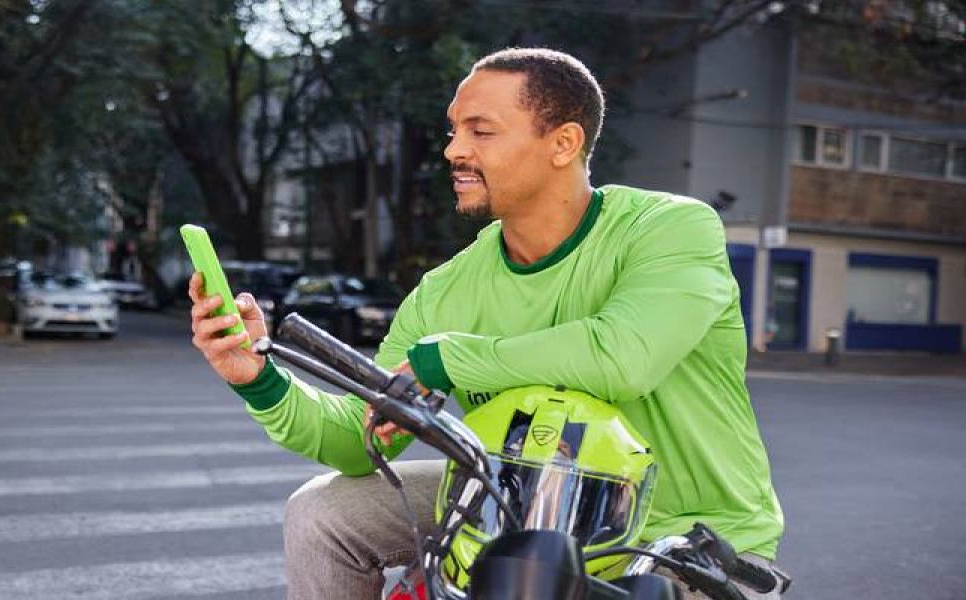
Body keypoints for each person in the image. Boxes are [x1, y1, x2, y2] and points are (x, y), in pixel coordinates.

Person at [189, 47, 784, 600]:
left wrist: (448, 358)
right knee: (323, 513)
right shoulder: (448, 287)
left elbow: (624, 356)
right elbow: (360, 435)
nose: (453, 150)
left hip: (683, 532)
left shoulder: (671, 229)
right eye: (454, 130)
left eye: (480, 130)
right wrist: (257, 378)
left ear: (563, 142)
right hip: (514, 507)